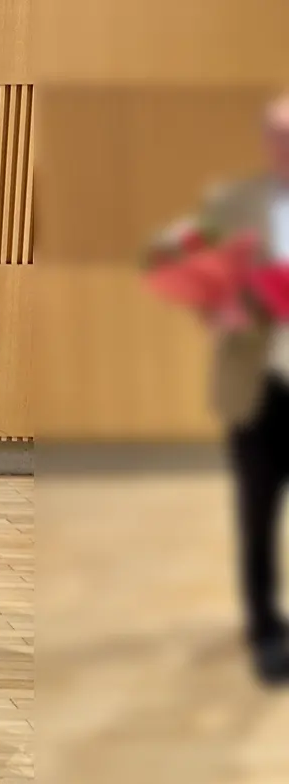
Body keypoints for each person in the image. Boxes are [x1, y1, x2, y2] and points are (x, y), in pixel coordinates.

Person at [208, 92, 289, 683]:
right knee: (256, 516)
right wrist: (226, 308)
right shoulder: (232, 205)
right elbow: (205, 290)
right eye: (278, 135)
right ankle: (264, 630)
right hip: (257, 389)